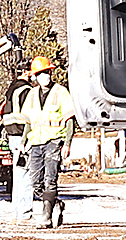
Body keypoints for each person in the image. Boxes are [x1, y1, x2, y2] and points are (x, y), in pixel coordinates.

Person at [4, 57, 74, 227]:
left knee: (50, 178)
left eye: (47, 72)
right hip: (35, 142)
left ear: (51, 73)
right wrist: (23, 142)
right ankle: (54, 203)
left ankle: (46, 216)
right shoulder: (32, 94)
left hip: (54, 140)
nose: (45, 76)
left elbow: (70, 120)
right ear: (35, 76)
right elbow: (28, 121)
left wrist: (67, 143)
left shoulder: (61, 92)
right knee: (35, 182)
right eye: (41, 73)